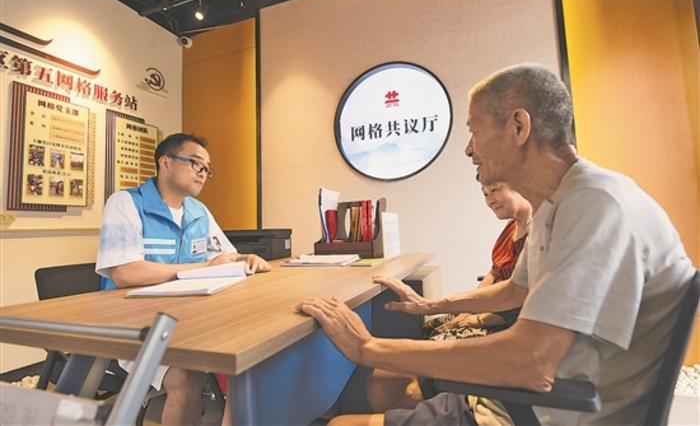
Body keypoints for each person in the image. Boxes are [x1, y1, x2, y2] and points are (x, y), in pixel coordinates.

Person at [297, 64, 695, 426]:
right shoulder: (555, 205)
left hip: (549, 411)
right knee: (384, 384)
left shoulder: (594, 204)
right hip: (538, 397)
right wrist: (431, 306)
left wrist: (368, 347)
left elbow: (532, 363)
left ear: (519, 127)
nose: (469, 149)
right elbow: (515, 290)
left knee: (339, 421)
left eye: (474, 130)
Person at [96, 133, 271, 426]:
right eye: (195, 163)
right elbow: (125, 273)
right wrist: (201, 267)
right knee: (187, 375)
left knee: (249, 351)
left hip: (187, 319)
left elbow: (224, 255)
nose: (202, 173)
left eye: (207, 169)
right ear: (165, 162)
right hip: (134, 324)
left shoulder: (198, 211)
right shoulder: (126, 203)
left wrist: (245, 258)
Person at [367, 182, 532, 412]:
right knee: (425, 330)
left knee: (392, 374)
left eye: (494, 190)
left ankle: (424, 395)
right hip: (492, 314)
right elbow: (494, 274)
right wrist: (464, 312)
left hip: (504, 324)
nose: (489, 200)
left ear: (517, 183)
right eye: (485, 194)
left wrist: (478, 318)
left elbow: (521, 299)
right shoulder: (510, 229)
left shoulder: (539, 233)